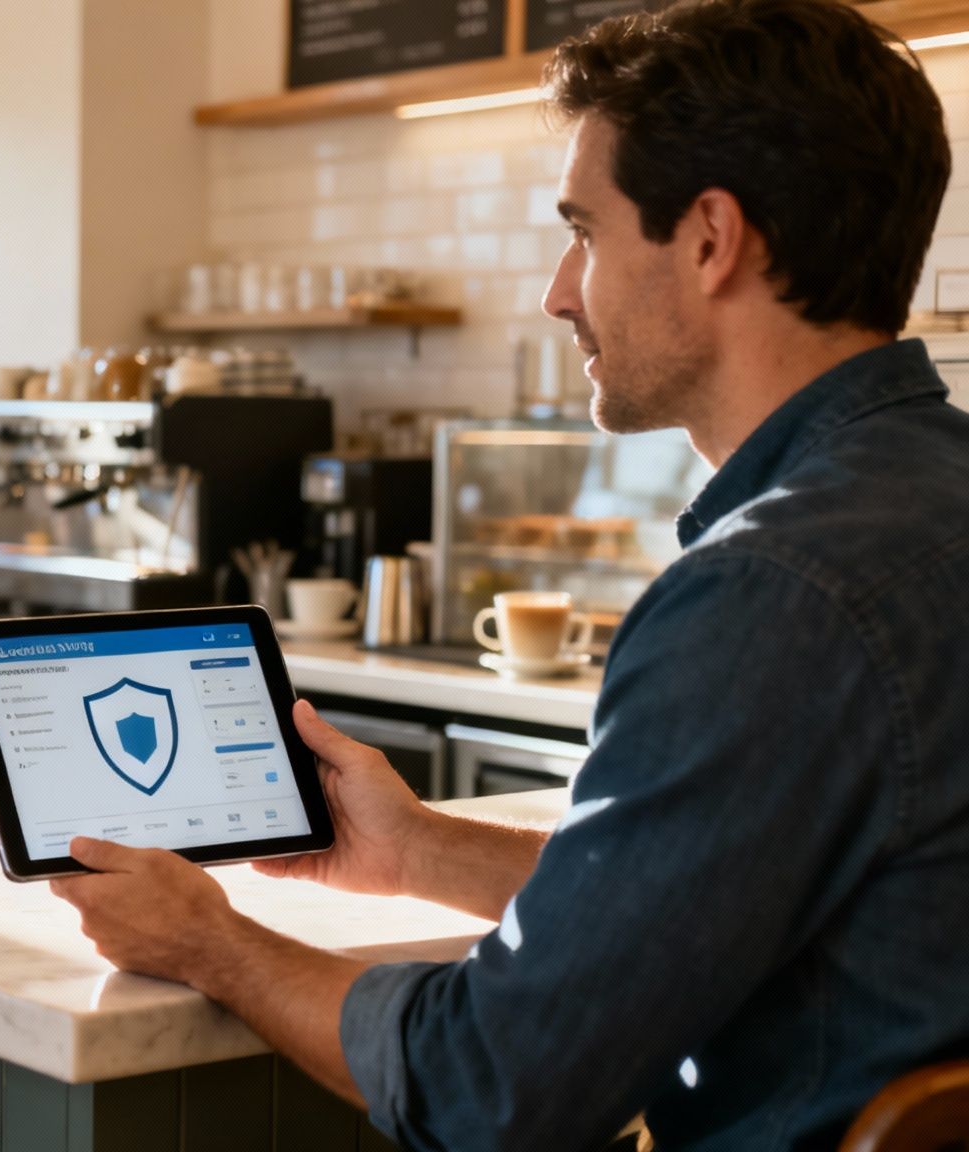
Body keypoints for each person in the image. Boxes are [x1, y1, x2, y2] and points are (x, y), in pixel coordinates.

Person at [51, 0, 969, 1147]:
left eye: (583, 230)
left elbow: (492, 1084)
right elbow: (722, 898)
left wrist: (209, 941)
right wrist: (417, 851)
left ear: (708, 238)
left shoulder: (772, 595)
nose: (556, 290)